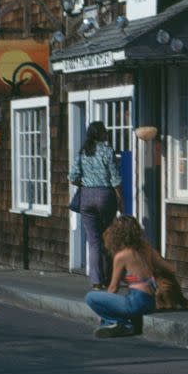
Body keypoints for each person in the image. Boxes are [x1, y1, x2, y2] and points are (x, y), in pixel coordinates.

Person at [85, 216, 175, 338]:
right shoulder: (147, 249)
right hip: (150, 303)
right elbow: (170, 269)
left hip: (136, 302)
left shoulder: (121, 256)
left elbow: (113, 287)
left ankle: (117, 322)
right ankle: (117, 323)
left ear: (117, 234)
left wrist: (106, 310)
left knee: (90, 297)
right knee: (120, 304)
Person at [69, 121, 124, 289]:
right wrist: (120, 199)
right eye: (105, 131)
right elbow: (114, 178)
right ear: (100, 134)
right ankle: (109, 277)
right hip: (105, 195)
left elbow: (72, 177)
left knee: (93, 241)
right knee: (108, 237)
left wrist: (85, 182)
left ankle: (96, 281)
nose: (107, 133)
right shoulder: (107, 151)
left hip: (86, 195)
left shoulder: (83, 152)